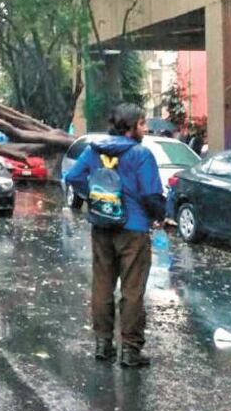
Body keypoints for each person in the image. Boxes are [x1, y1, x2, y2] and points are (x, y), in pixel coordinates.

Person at [63, 103, 166, 368]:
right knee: (132, 291)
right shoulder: (141, 154)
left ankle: (102, 344)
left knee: (102, 285)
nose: (145, 128)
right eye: (142, 124)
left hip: (102, 226)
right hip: (133, 230)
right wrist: (158, 216)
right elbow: (150, 194)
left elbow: (73, 176)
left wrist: (94, 198)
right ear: (131, 128)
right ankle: (130, 350)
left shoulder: (94, 150)